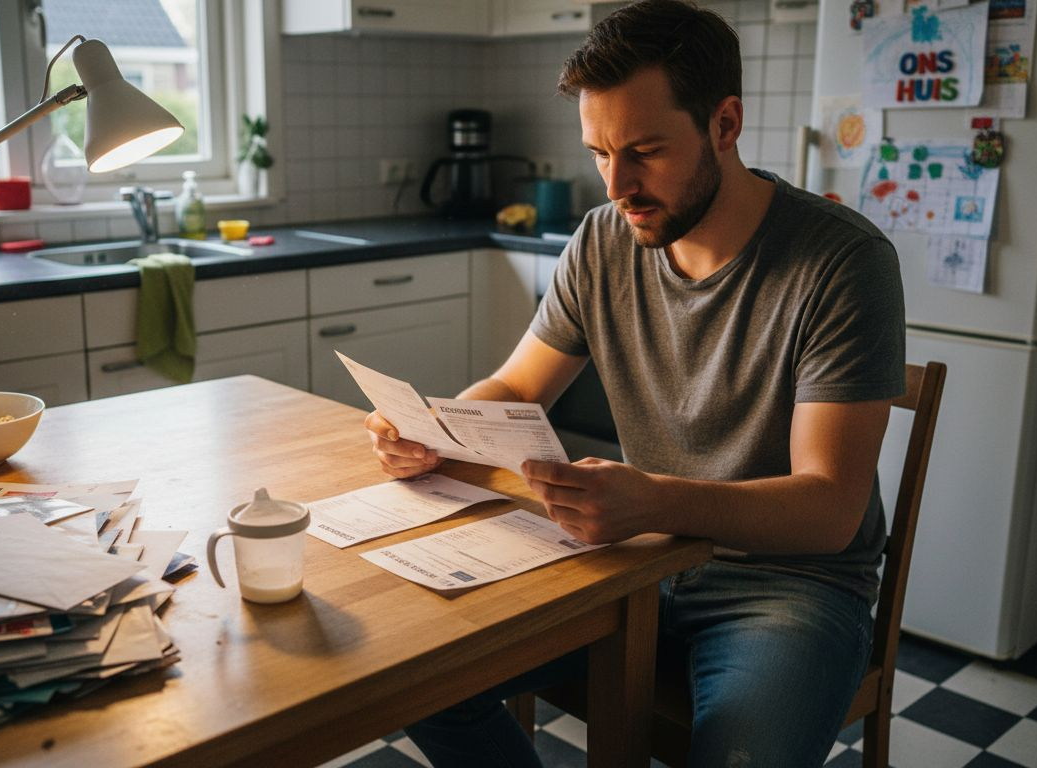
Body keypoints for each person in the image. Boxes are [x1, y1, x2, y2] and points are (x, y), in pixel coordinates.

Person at [363, 1, 906, 764]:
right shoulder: (603, 239)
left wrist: (654, 499)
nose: (619, 184)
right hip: (629, 558)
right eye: (599, 153)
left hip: (786, 586)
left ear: (725, 124)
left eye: (646, 150)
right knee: (414, 676)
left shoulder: (841, 262)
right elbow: (518, 386)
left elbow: (829, 510)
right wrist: (432, 429)